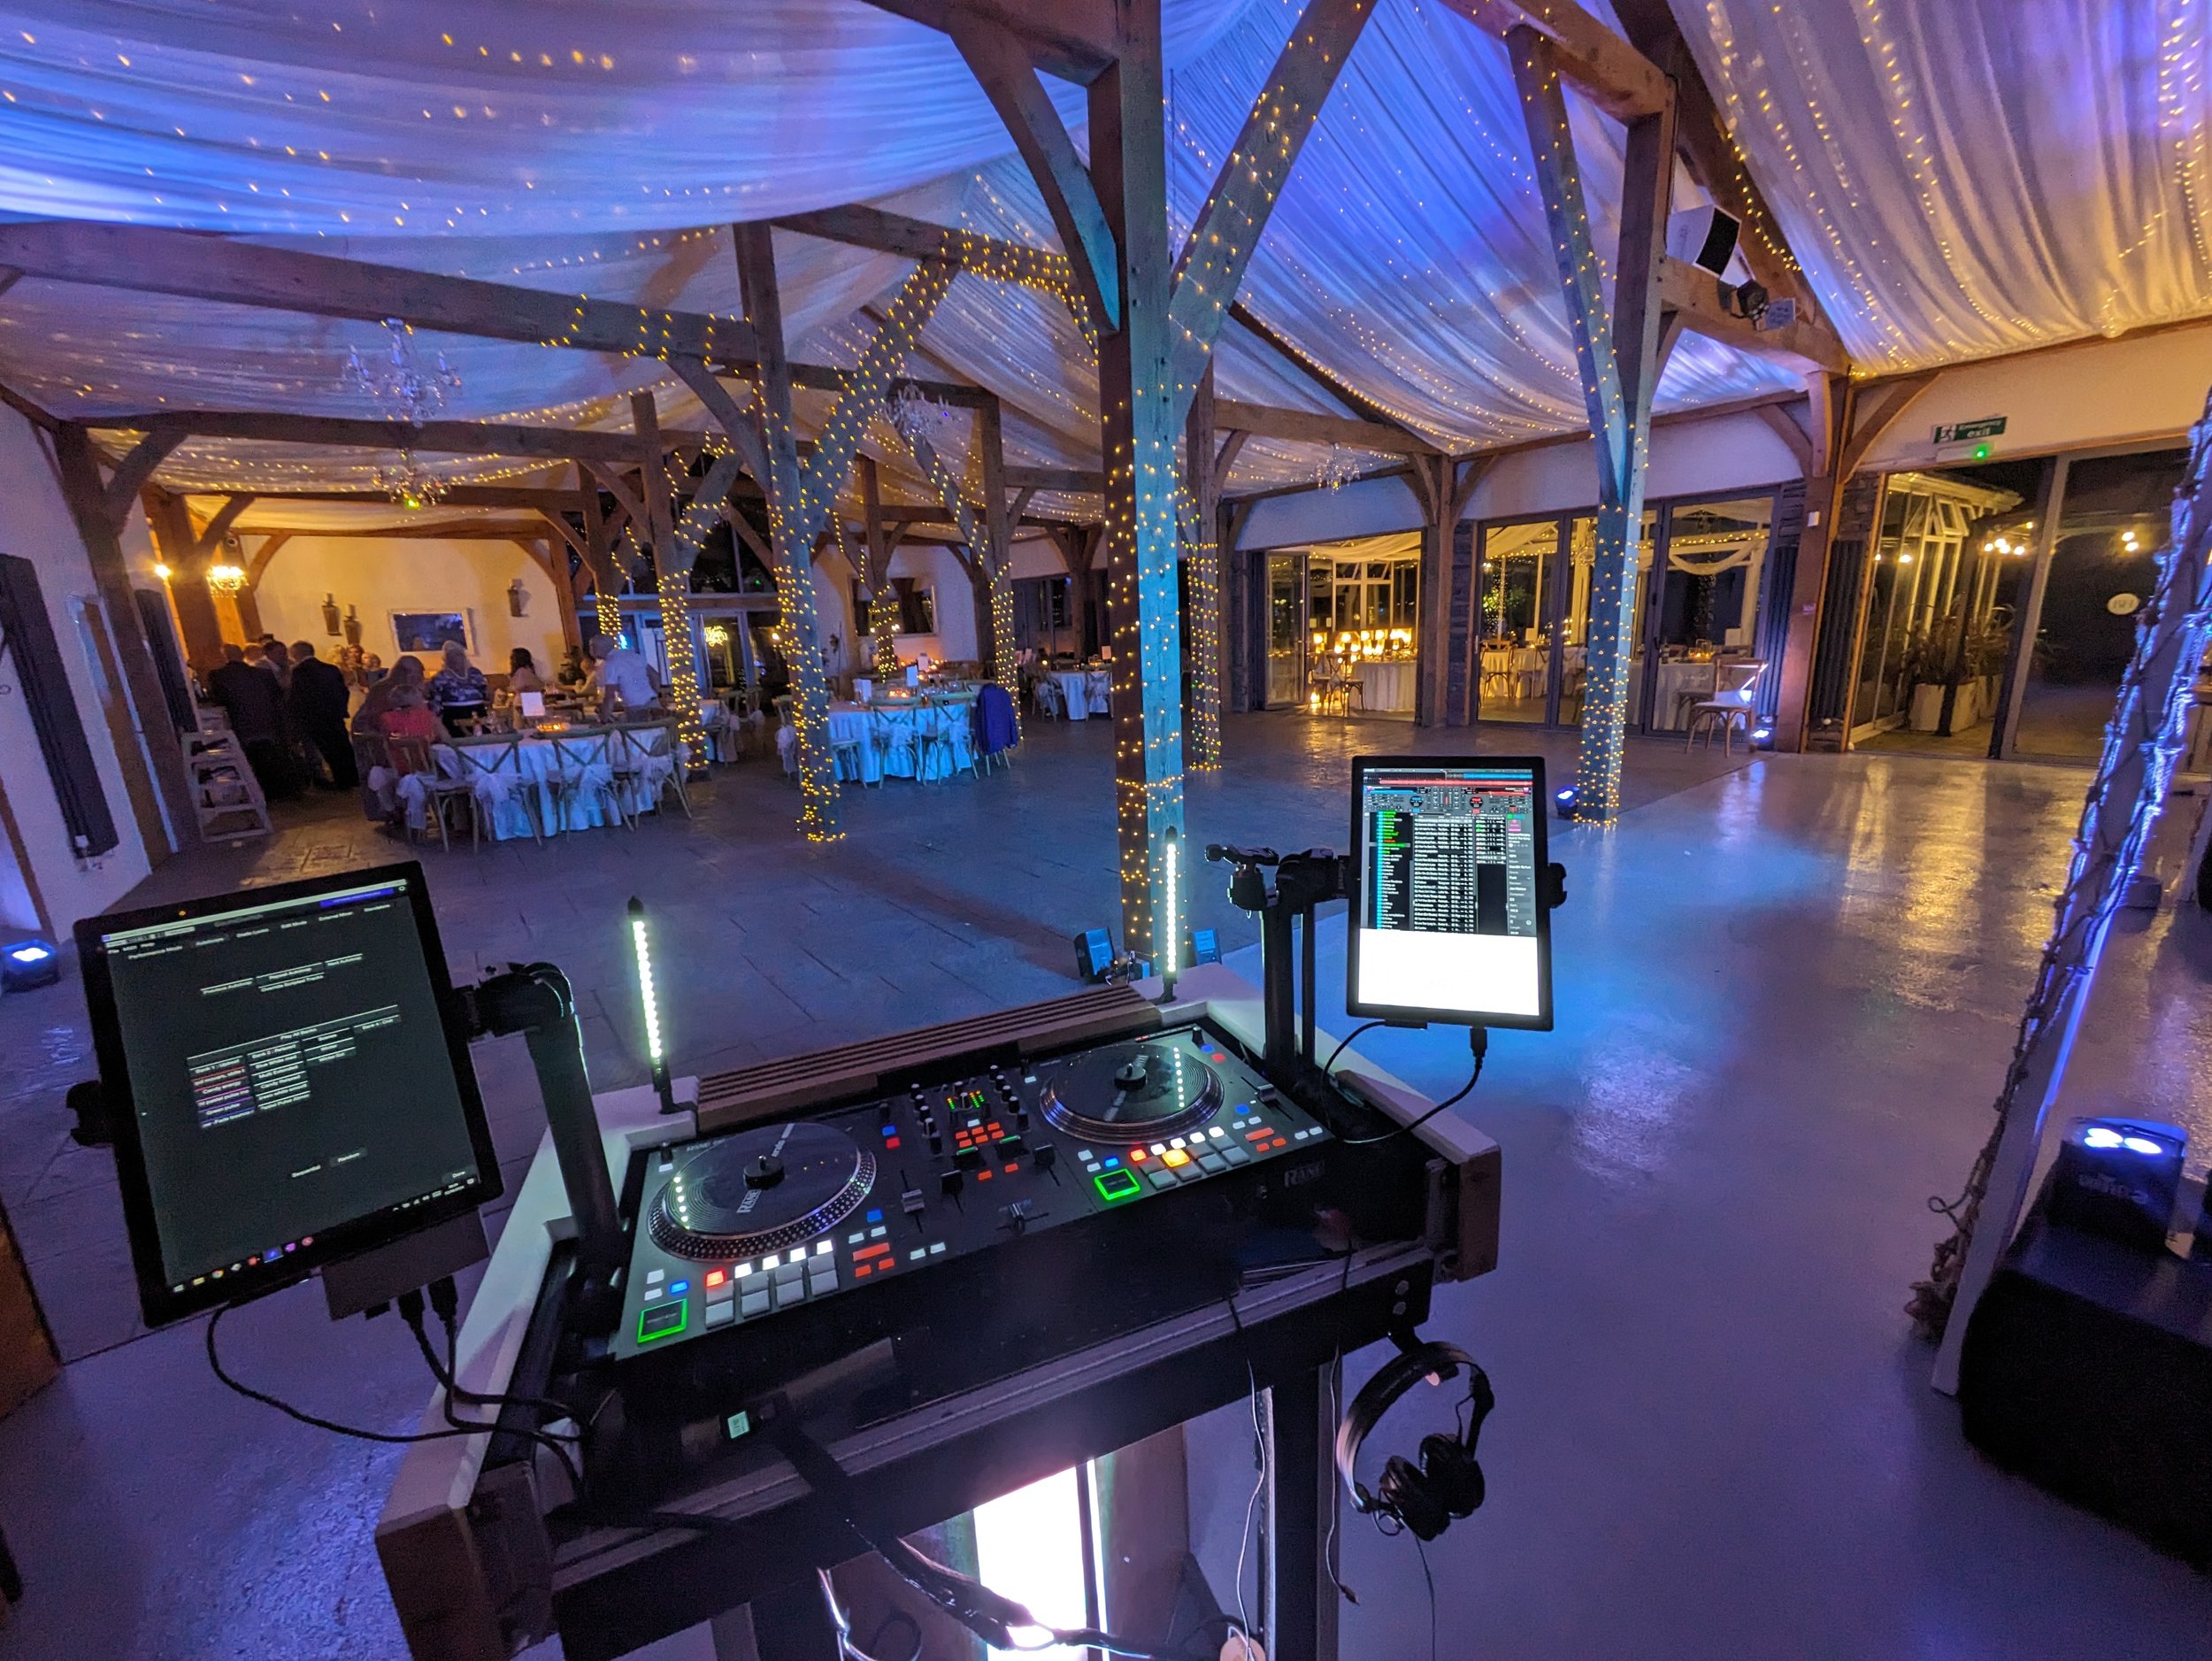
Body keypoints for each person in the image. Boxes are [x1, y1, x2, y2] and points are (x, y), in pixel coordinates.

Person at [206, 643, 301, 801]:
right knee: (274, 757)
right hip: (269, 722)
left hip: (241, 724)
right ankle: (285, 790)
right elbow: (278, 697)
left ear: (225, 656)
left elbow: (219, 700)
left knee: (253, 761)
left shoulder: (218, 676)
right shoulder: (263, 674)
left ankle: (263, 792)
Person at [286, 641, 358, 789]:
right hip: (334, 715)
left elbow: (298, 696)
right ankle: (353, 777)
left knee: (328, 750)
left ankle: (341, 781)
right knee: (342, 746)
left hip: (314, 717)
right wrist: (340, 709)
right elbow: (343, 691)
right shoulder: (330, 669)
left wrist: (297, 716)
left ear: (296, 654)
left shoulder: (299, 672)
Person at [587, 634, 661, 715]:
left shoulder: (610, 663)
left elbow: (610, 696)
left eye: (591, 646)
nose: (590, 650)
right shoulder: (632, 655)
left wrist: (604, 718)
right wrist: (653, 695)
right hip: (653, 704)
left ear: (598, 647)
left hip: (636, 709)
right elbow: (655, 676)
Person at [426, 642, 489, 734]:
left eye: (457, 655)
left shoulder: (474, 673)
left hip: (478, 714)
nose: (455, 659)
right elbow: (435, 703)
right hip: (454, 715)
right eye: (450, 656)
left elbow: (485, 693)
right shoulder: (441, 677)